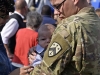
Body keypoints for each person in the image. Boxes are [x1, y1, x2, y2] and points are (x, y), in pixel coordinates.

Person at [29, 0, 100, 75]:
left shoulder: (69, 26)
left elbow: (45, 71)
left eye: (58, 6)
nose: (55, 12)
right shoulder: (96, 21)